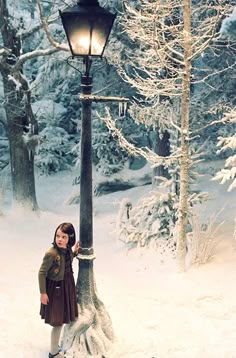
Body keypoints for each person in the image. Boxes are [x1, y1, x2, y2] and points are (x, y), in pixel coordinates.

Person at [38, 222, 79, 358]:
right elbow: (41, 273)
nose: (60, 239)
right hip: (56, 291)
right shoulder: (51, 254)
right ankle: (53, 352)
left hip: (67, 286)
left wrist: (75, 252)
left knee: (65, 317)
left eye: (64, 237)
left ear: (70, 239)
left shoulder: (66, 250)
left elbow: (67, 260)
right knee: (58, 322)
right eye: (58, 236)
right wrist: (43, 292)